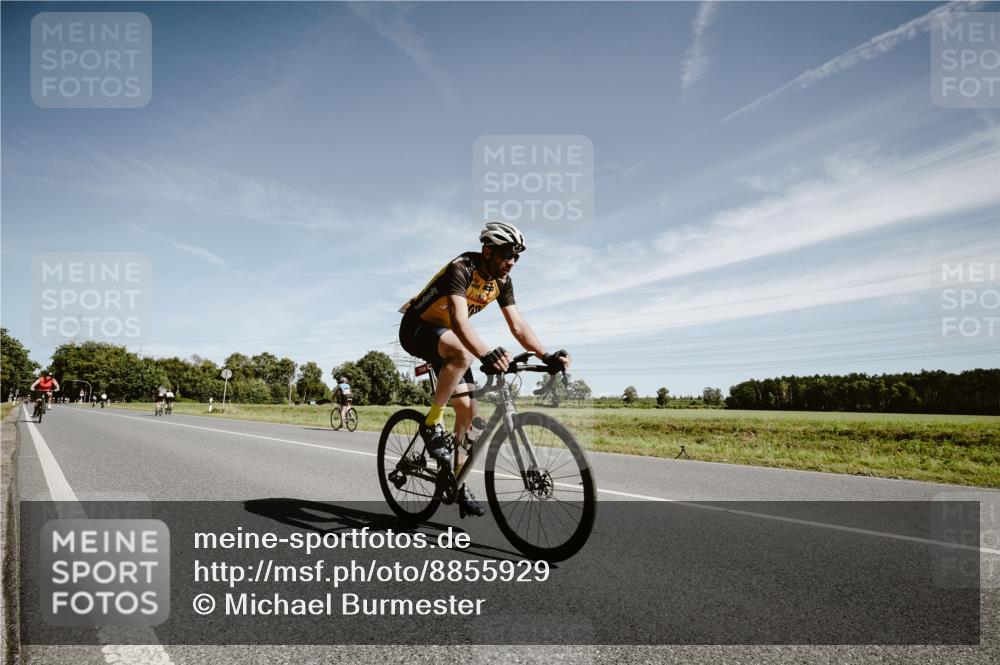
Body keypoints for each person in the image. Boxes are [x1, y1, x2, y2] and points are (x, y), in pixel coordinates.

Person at [398, 221, 570, 518]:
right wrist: (486, 354)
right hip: (418, 329)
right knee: (461, 354)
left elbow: (518, 325)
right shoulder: (461, 268)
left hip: (448, 338)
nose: (512, 262)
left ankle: (455, 481)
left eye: (516, 257)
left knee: (469, 412)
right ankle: (431, 423)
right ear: (487, 251)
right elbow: (460, 321)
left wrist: (546, 354)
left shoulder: (502, 282)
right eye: (506, 254)